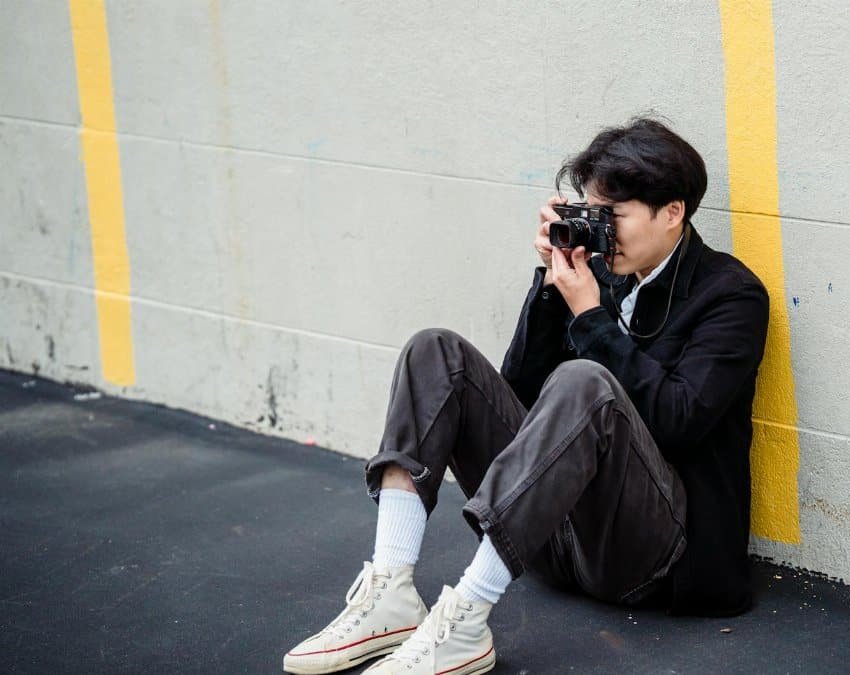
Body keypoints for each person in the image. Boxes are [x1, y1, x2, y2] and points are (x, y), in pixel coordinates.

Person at [282, 117, 769, 675]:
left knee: (584, 379)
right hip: (559, 544)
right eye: (590, 214)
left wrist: (591, 317)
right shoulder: (599, 275)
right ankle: (391, 591)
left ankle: (466, 617)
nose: (601, 234)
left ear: (673, 212)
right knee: (434, 351)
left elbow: (679, 422)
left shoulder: (731, 295)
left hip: (656, 559)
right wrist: (551, 285)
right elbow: (519, 396)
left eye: (613, 217)